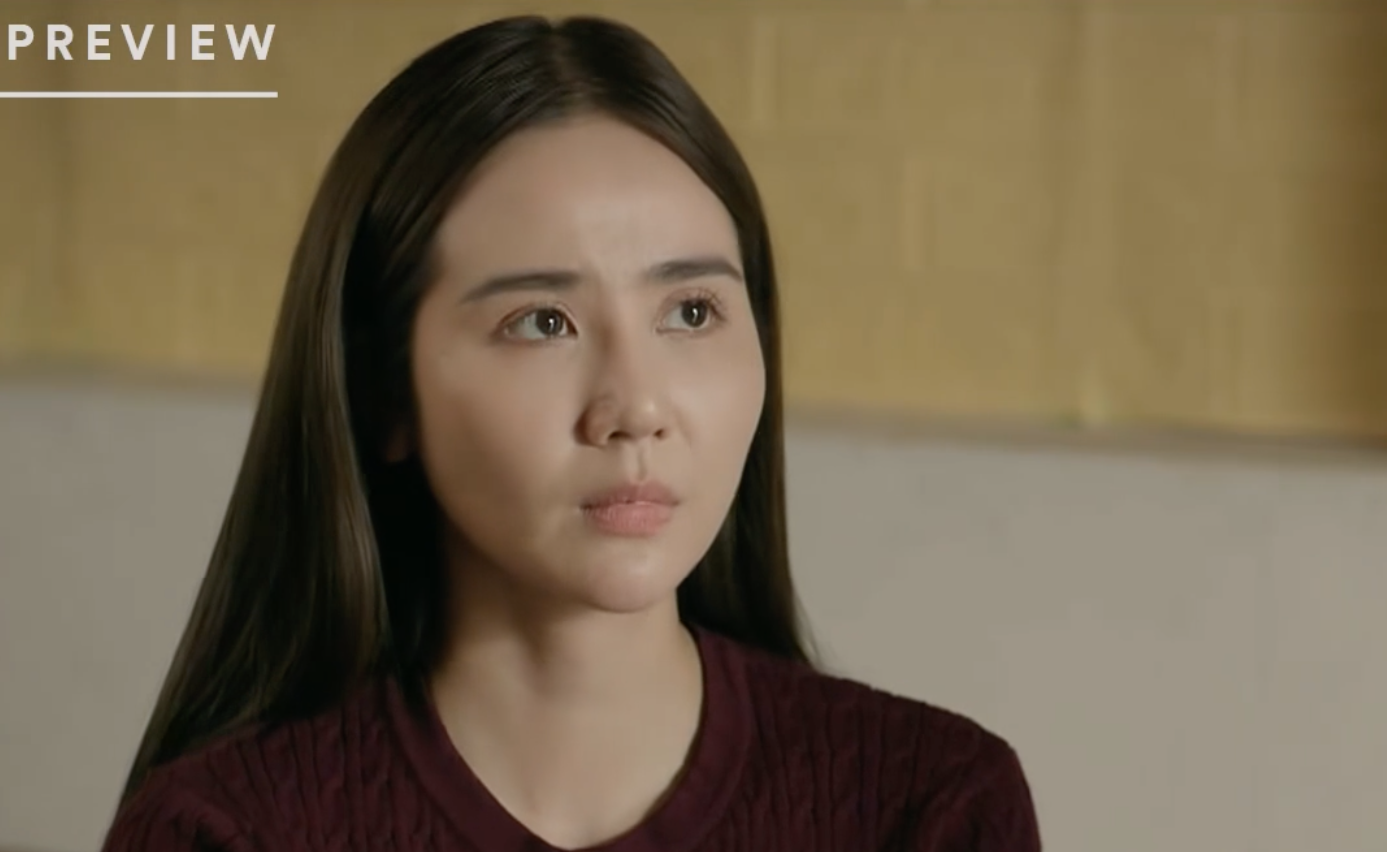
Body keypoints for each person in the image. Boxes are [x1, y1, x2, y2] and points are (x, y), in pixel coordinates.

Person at [104, 14, 1040, 852]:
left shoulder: (932, 808)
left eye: (692, 311)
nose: (635, 406)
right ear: (386, 393)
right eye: (542, 322)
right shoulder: (220, 832)